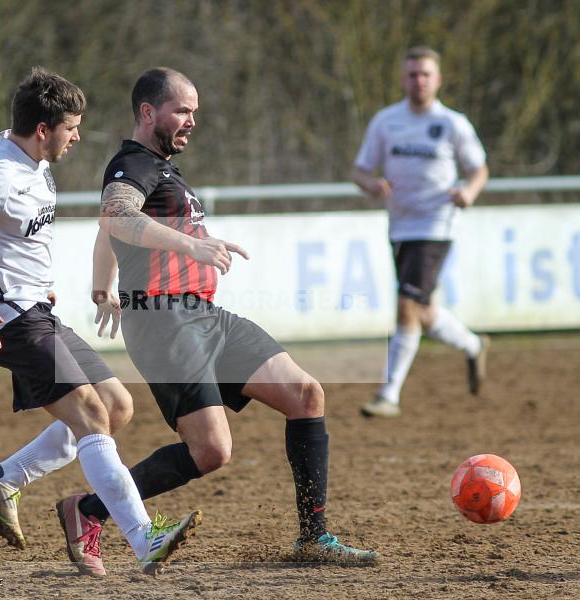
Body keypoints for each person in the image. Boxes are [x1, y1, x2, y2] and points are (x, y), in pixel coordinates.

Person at [59, 66, 379, 573]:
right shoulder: (133, 162)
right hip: (165, 321)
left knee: (306, 394)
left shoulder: (161, 169)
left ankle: (314, 538)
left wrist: (102, 285)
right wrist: (191, 244)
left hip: (205, 315)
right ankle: (88, 509)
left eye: (195, 112)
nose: (191, 121)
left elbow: (110, 234)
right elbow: (115, 215)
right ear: (148, 112)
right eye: (182, 110)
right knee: (210, 452)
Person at [0, 67, 200, 577]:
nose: (77, 137)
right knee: (92, 418)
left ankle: (5, 478)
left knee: (116, 406)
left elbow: (11, 240)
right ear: (44, 129)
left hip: (39, 310)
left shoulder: (32, 163)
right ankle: (145, 539)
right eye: (72, 127)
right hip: (9, 319)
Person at [352, 46, 491, 418]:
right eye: (413, 74)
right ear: (403, 78)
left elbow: (479, 169)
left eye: (426, 74)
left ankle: (389, 395)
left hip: (436, 223)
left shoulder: (452, 123)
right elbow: (360, 170)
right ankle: (473, 345)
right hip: (400, 225)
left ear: (438, 79)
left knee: (407, 305)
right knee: (423, 312)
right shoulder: (386, 122)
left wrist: (469, 192)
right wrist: (372, 184)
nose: (419, 81)